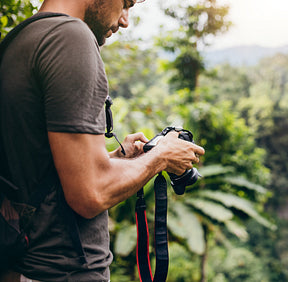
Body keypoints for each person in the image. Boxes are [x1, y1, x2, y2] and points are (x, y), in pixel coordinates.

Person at [0, 0, 205, 281]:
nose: (124, 20)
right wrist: (161, 156)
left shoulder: (19, 38)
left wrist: (112, 160)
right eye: (126, 3)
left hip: (22, 266)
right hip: (62, 271)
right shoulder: (70, 37)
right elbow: (89, 195)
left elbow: (36, 169)